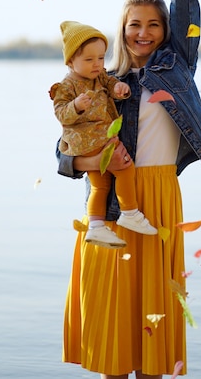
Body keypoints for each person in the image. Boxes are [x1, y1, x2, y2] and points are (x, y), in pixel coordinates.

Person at [57, 0, 201, 378]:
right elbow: (63, 147)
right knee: (113, 332)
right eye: (135, 24)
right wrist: (85, 165)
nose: (144, 33)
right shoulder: (102, 83)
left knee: (155, 336)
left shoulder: (178, 66)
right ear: (122, 28)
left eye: (154, 25)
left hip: (160, 199)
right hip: (109, 207)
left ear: (165, 31)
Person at [49, 20, 157, 248]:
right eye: (89, 60)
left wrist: (119, 89)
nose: (97, 64)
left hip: (97, 141)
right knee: (126, 170)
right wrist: (76, 106)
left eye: (100, 58)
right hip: (90, 140)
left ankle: (96, 226)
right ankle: (129, 212)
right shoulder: (67, 86)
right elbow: (61, 113)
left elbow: (111, 84)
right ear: (70, 61)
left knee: (100, 185)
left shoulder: (99, 77)